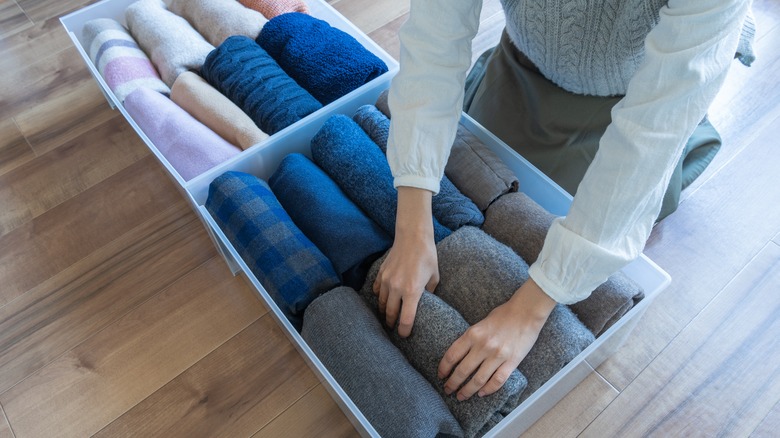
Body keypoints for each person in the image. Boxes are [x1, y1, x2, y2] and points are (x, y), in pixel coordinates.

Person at [372, 0, 754, 402]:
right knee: (482, 166)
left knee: (582, 206)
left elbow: (651, 135)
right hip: (526, 60)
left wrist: (529, 310)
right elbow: (435, 40)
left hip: (639, 90)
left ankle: (698, 123)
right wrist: (412, 225)